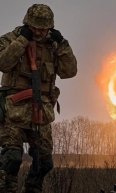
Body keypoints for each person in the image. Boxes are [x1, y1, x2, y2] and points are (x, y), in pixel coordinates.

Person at [0, 4, 77, 193]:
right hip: (13, 111)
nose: (40, 32)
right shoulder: (10, 39)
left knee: (44, 162)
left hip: (41, 111)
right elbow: (3, 63)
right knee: (12, 158)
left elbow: (69, 71)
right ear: (27, 24)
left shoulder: (54, 46)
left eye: (44, 29)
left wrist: (64, 45)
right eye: (35, 28)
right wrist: (22, 41)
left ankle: (33, 188)